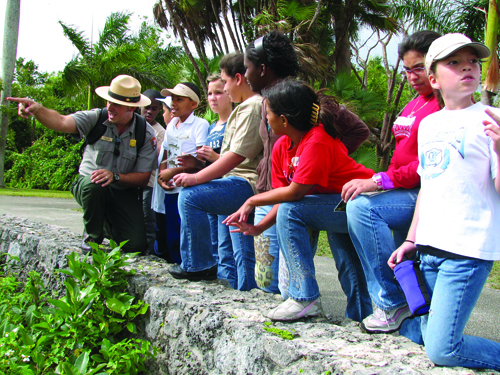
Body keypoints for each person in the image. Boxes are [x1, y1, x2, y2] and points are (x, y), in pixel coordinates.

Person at [388, 33, 500, 370]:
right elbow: (429, 186)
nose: (467, 67)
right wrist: (411, 239)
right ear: (434, 78)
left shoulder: (492, 119)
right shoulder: (429, 124)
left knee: (442, 350)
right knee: (428, 334)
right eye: (454, 62)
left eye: (473, 62)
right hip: (430, 249)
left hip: (467, 250)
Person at [244, 31, 371, 320]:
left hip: (331, 197)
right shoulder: (283, 139)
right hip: (300, 195)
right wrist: (260, 223)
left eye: (248, 67)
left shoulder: (308, 114)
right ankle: (305, 303)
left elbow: (296, 191)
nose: (246, 73)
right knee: (273, 273)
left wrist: (318, 165)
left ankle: (316, 303)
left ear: (262, 68)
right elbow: (289, 188)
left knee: (347, 262)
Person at [341, 31, 442, 343]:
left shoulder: (442, 107)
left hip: (426, 194)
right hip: (402, 188)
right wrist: (382, 181)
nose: (412, 76)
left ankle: (391, 300)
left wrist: (379, 180)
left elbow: (427, 167)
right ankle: (404, 311)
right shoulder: (415, 104)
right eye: (407, 69)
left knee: (362, 209)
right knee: (356, 203)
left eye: (419, 68)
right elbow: (403, 155)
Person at [8, 75, 158, 254]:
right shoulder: (96, 118)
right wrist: (38, 110)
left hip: (122, 191)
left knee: (135, 245)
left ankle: (105, 224)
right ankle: (92, 234)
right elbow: (62, 121)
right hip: (90, 186)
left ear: (131, 107)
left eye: (116, 104)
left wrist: (115, 176)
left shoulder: (145, 133)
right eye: (109, 101)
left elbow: (143, 178)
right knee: (95, 186)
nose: (110, 107)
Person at [168, 52, 263, 291]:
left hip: (244, 182)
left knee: (190, 197)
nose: (224, 89)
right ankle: (244, 292)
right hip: (237, 181)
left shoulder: (252, 107)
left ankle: (198, 264)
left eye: (225, 83)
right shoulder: (246, 107)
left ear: (238, 78)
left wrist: (196, 177)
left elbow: (236, 157)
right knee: (240, 248)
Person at [155, 82, 209, 263]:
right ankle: (176, 267)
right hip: (172, 188)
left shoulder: (200, 125)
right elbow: (167, 153)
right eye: (172, 99)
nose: (173, 103)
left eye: (179, 99)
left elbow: (202, 163)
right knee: (172, 233)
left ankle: (189, 267)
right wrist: (162, 175)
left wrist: (175, 171)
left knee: (187, 232)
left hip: (188, 188)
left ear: (193, 104)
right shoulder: (171, 126)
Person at [140, 89, 166, 255]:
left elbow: (160, 158)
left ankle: (149, 251)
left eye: (155, 108)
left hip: (149, 182)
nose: (150, 111)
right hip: (129, 180)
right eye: (147, 107)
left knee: (147, 216)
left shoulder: (160, 132)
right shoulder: (132, 124)